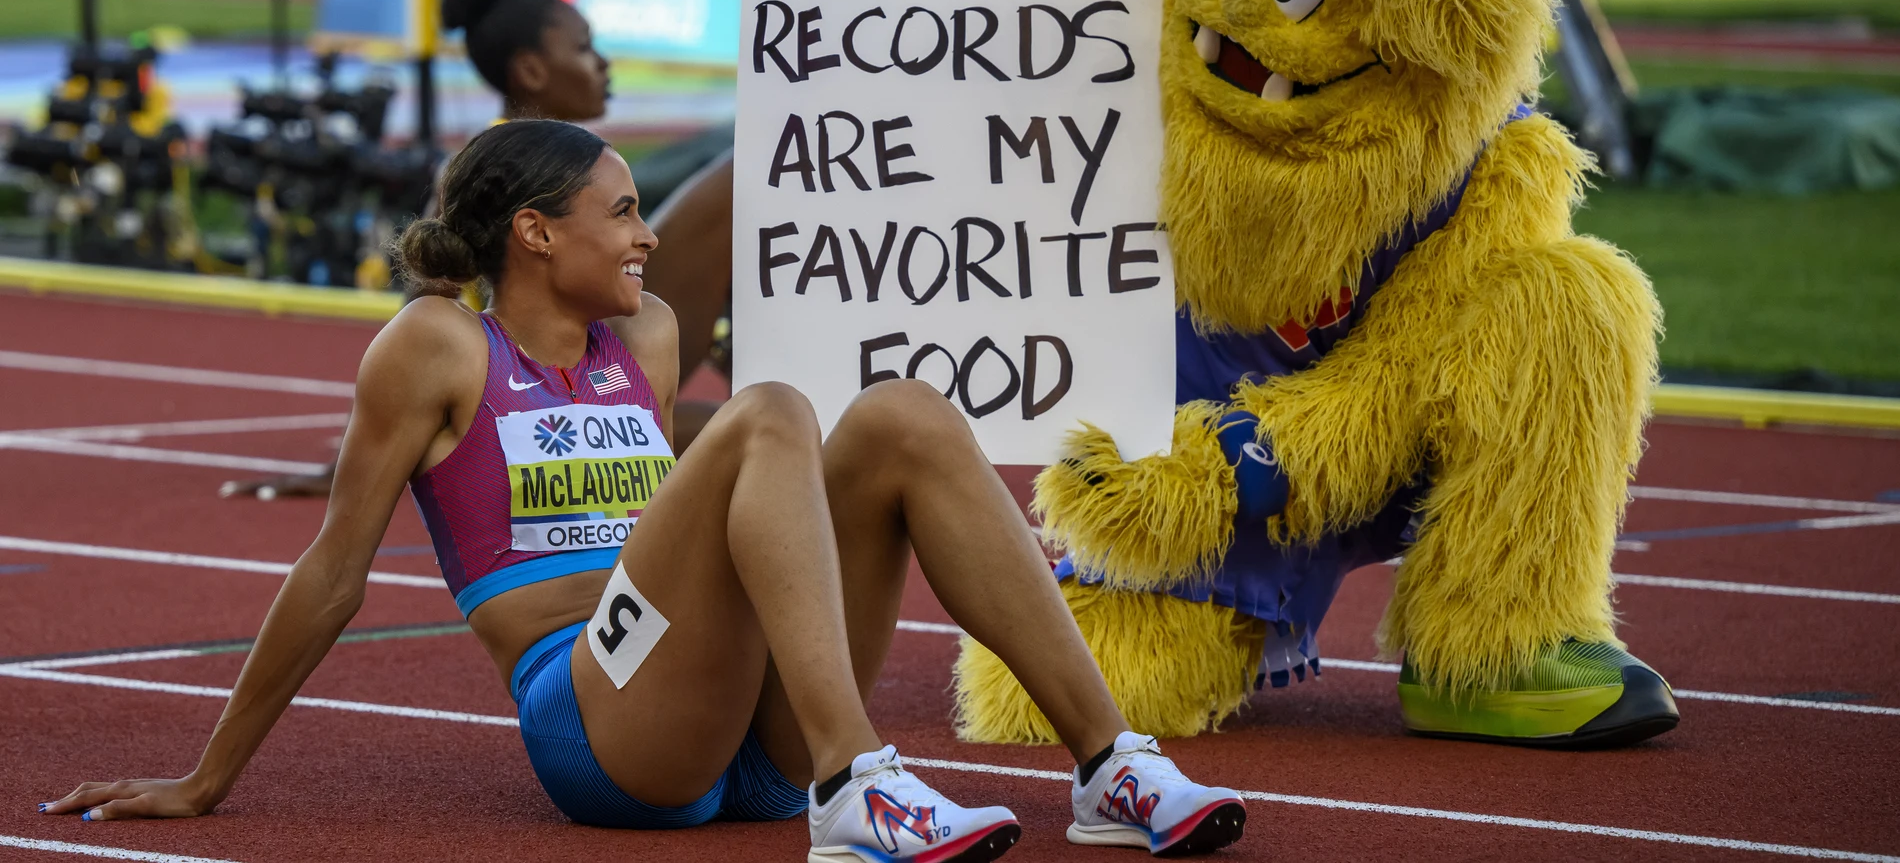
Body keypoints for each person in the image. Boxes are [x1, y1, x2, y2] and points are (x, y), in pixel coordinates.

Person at [45, 120, 1248, 861]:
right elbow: (331, 572)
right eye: (620, 213)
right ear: (531, 232)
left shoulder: (653, 337)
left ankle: (1108, 766)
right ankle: (857, 785)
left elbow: (736, 492)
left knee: (902, 413)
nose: (645, 238)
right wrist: (207, 777)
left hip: (743, 734)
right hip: (597, 721)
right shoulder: (437, 346)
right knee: (766, 410)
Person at [221, 0, 611, 500]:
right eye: (584, 48)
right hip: (510, 401)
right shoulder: (493, 168)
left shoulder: (583, 165)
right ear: (530, 69)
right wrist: (372, 446)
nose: (604, 64)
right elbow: (426, 291)